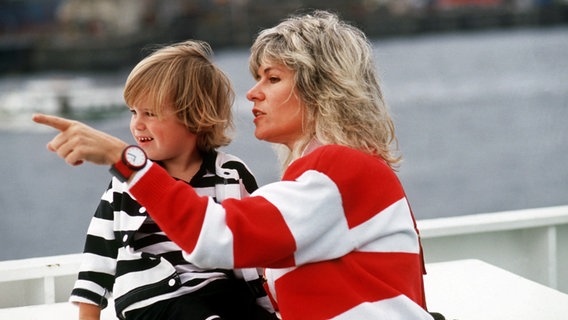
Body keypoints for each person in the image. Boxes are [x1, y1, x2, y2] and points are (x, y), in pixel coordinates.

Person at [34, 10, 439, 320]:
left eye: (272, 79)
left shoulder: (337, 170)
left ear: (323, 87)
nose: (252, 94)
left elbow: (220, 237)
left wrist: (123, 160)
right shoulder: (338, 172)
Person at [47, 40, 276, 320]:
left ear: (196, 116)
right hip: (154, 297)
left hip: (220, 291)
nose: (137, 124)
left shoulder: (231, 174)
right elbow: (98, 257)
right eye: (134, 112)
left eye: (150, 113)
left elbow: (259, 248)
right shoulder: (126, 182)